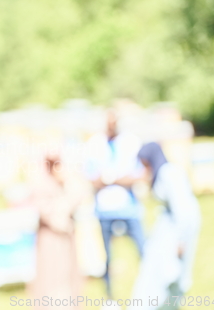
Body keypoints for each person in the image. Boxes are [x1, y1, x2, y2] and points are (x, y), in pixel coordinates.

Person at [129, 143, 201, 310]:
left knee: (171, 270)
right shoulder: (162, 173)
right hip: (170, 227)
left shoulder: (169, 173)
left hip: (180, 228)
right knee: (158, 269)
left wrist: (181, 240)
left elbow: (182, 209)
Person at [84, 110, 145, 299]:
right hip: (105, 209)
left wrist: (115, 179)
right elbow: (90, 176)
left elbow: (139, 174)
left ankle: (149, 291)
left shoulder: (131, 142)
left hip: (129, 208)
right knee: (107, 257)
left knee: (143, 251)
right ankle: (110, 297)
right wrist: (106, 180)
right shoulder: (94, 144)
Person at [27, 154, 83, 310]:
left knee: (66, 275)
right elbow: (44, 210)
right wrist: (59, 220)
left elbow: (78, 196)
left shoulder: (66, 182)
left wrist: (66, 182)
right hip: (49, 238)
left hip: (65, 239)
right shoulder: (40, 182)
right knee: (50, 276)